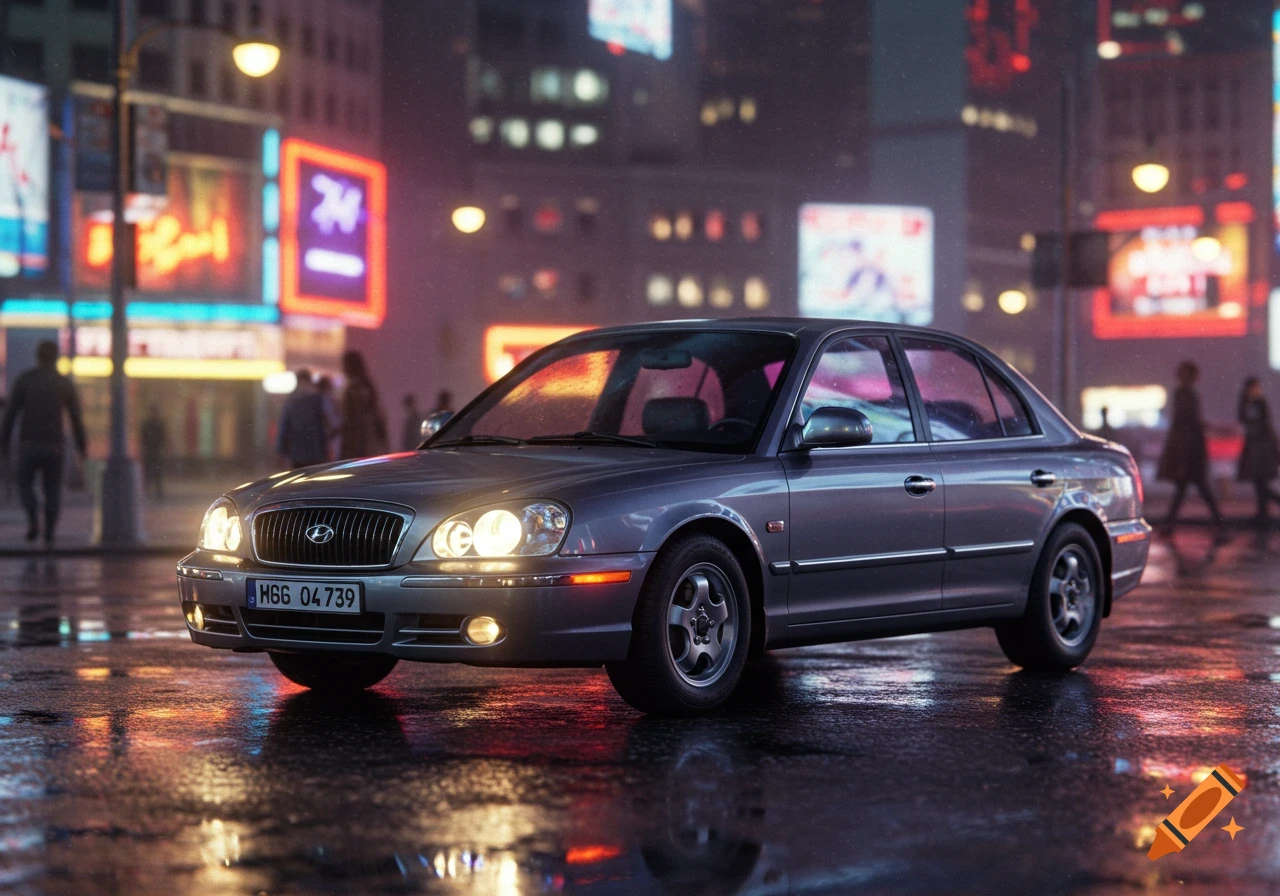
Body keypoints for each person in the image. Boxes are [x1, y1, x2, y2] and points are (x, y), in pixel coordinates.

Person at [0, 341, 87, 545]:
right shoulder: (63, 382)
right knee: (52, 489)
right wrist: (82, 445)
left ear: (37, 357)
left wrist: (3, 442)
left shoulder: (25, 380)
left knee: (24, 484)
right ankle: (49, 531)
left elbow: (11, 414)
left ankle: (33, 519)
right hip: (54, 444)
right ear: (56, 357)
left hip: (29, 443)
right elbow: (76, 418)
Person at [1157, 360, 1223, 530]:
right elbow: (1189, 421)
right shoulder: (1186, 394)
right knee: (1198, 487)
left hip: (1187, 450)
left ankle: (1170, 525)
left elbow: (1184, 422)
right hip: (1190, 450)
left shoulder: (1183, 393)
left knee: (1186, 489)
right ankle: (1218, 523)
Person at [1237, 376, 1280, 526]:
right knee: (1260, 484)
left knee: (1261, 484)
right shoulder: (1252, 403)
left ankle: (1262, 515)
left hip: (1261, 450)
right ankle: (1262, 515)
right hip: (1258, 449)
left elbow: (1260, 426)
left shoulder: (1259, 403)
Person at [276, 369, 330, 468]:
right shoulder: (318, 400)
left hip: (297, 454)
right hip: (316, 453)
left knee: (300, 481)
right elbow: (326, 426)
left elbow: (284, 427)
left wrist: (281, 451)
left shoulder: (292, 401)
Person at [340, 350, 388, 459]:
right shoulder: (367, 386)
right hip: (370, 443)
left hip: (357, 445)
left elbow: (350, 422)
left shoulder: (353, 390)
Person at [139, 405, 167, 501]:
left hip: (154, 451)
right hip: (151, 451)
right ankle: (151, 491)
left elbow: (162, 437)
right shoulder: (150, 424)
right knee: (151, 472)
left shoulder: (156, 424)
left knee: (155, 473)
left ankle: (156, 492)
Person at [316, 375, 341, 460]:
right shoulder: (324, 400)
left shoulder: (329, 399)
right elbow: (326, 418)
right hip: (332, 436)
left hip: (333, 435)